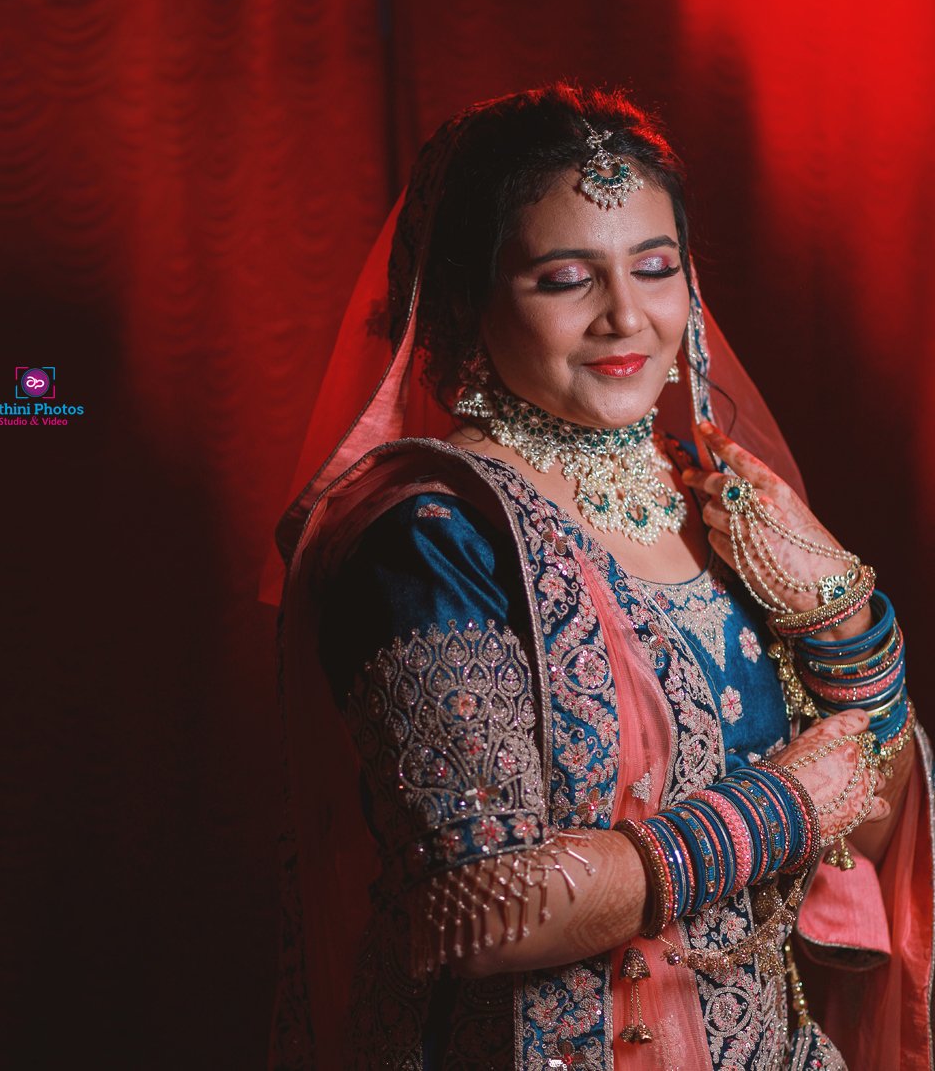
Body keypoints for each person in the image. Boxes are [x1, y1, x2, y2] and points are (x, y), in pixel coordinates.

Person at [265, 84, 933, 1070]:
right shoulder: (427, 538)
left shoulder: (721, 501)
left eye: (655, 268)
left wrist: (847, 623)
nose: (627, 315)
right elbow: (480, 912)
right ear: (464, 298)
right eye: (566, 277)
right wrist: (776, 811)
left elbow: (863, 829)